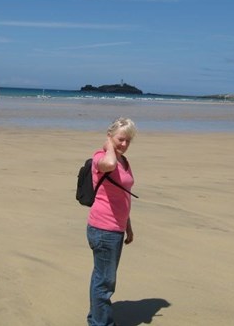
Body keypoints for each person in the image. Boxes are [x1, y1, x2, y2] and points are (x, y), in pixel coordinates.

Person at [87, 117, 137, 326]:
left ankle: (95, 318)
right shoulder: (102, 157)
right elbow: (108, 164)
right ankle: (100, 323)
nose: (124, 145)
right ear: (110, 136)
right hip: (103, 228)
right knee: (105, 282)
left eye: (128, 141)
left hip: (116, 227)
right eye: (120, 139)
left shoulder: (123, 161)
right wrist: (108, 147)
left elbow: (122, 196)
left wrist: (128, 227)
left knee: (103, 278)